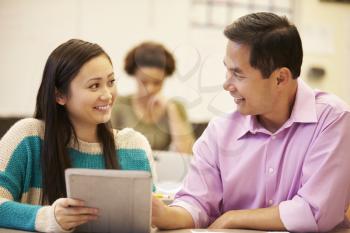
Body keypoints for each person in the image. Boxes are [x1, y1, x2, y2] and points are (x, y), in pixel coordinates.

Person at [152, 12, 350, 232]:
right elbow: (197, 203)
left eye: (238, 74)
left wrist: (233, 218)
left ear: (280, 78)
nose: (227, 84)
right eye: (227, 70)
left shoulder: (333, 120)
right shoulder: (220, 132)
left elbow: (315, 211)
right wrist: (165, 214)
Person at [0, 39, 155, 232]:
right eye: (94, 86)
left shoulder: (133, 146)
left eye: (111, 82)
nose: (107, 95)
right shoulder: (28, 137)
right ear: (59, 96)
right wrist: (47, 217)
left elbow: (152, 218)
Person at [111, 42, 195, 154]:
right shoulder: (120, 104)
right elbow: (107, 148)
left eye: (157, 83)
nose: (150, 89)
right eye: (144, 82)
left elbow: (187, 153)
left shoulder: (176, 106)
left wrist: (171, 109)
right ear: (134, 76)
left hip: (162, 169)